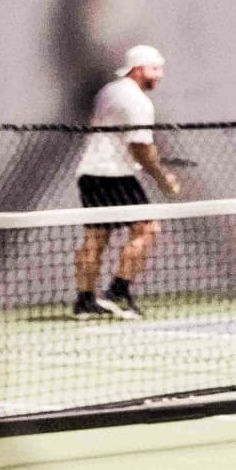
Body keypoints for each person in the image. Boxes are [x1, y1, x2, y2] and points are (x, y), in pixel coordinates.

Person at [73, 44, 179, 319]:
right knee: (148, 229)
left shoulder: (108, 91)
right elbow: (140, 148)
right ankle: (117, 292)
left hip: (90, 173)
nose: (160, 75)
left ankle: (84, 302)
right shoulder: (138, 102)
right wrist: (164, 179)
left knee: (96, 238)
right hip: (114, 176)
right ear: (138, 69)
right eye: (155, 69)